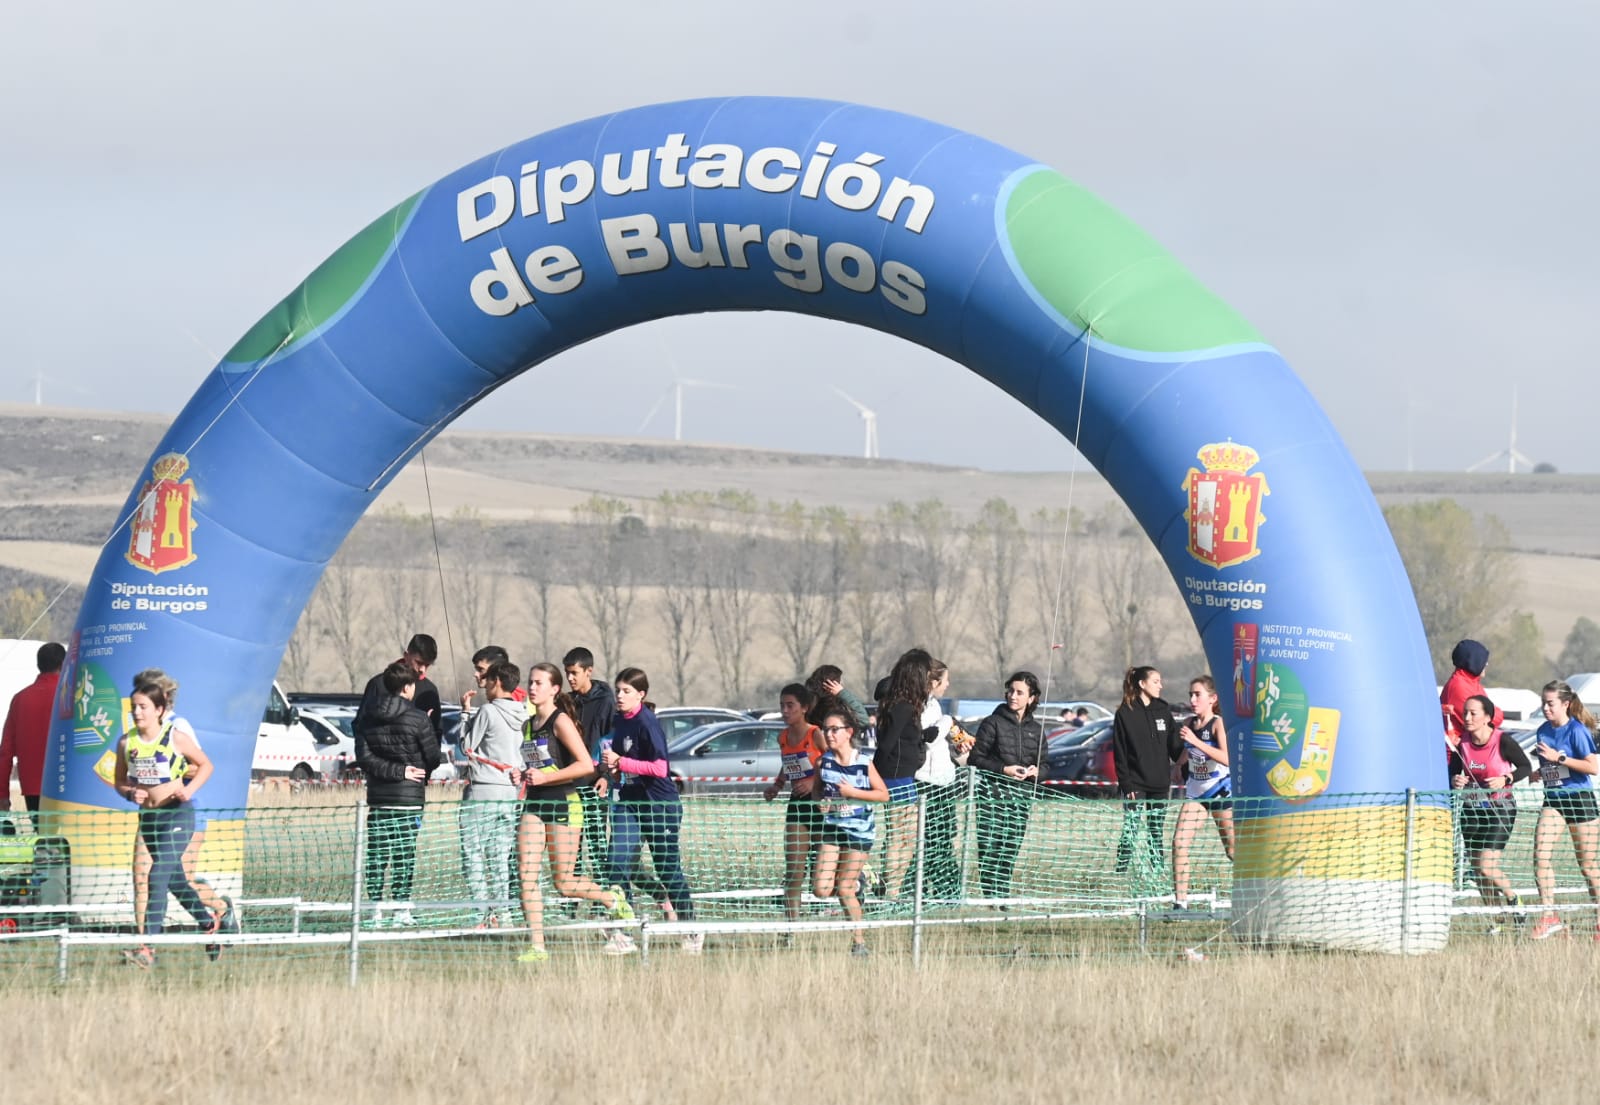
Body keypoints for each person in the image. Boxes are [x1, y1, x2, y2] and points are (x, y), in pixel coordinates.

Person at [514, 662, 632, 963]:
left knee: (563, 883)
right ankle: (537, 947)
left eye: (539, 682)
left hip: (565, 803)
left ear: (554, 689)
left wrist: (545, 778)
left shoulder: (560, 721)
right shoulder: (528, 725)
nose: (532, 687)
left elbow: (584, 765)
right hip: (535, 804)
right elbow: (540, 765)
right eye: (530, 682)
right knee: (526, 875)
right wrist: (524, 775)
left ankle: (611, 898)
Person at [114, 680, 222, 968]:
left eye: (143, 707)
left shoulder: (175, 737)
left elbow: (207, 765)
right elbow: (119, 781)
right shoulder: (126, 742)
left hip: (177, 814)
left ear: (159, 710)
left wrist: (189, 789)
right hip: (149, 818)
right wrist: (128, 792)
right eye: (134, 707)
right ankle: (208, 922)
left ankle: (147, 948)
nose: (137, 713)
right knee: (174, 879)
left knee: (157, 875)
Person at [598, 667, 700, 954]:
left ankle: (691, 929)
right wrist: (610, 771)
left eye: (626, 690)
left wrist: (623, 762)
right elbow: (622, 763)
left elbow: (660, 768)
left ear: (641, 694)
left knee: (667, 870)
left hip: (659, 805)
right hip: (629, 801)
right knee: (616, 862)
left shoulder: (647, 722)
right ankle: (623, 934)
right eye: (618, 689)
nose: (620, 695)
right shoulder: (620, 721)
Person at [356, 661, 442, 926]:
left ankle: (374, 910)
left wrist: (393, 770)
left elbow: (364, 758)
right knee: (404, 854)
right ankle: (401, 911)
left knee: (377, 854)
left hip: (379, 799)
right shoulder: (417, 718)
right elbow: (434, 757)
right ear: (407, 687)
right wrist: (405, 771)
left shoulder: (367, 717)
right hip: (409, 800)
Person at [1448, 693, 1532, 931]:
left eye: (1473, 713)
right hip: (1472, 810)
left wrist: (1506, 778)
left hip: (1499, 809)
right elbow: (1453, 775)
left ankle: (1515, 900)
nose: (1467, 717)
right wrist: (1456, 780)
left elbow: (1525, 766)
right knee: (1478, 871)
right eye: (1465, 712)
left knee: (1487, 866)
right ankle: (1498, 921)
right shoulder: (1461, 744)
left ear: (1487, 717)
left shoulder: (1502, 741)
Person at [1527, 680, 1600, 940]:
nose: (1545, 708)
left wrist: (1559, 758)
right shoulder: (1542, 731)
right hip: (1554, 801)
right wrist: (1540, 772)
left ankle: (1599, 920)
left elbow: (1592, 767)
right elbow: (1554, 767)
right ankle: (1549, 915)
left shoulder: (1577, 731)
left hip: (1579, 800)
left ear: (1565, 704)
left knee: (1588, 866)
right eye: (1543, 703)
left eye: (1550, 703)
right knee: (1540, 855)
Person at [813, 708, 889, 956]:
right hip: (833, 828)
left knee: (843, 888)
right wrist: (821, 802)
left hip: (860, 832)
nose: (829, 734)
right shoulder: (823, 762)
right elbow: (817, 792)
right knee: (821, 890)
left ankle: (859, 944)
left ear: (849, 733)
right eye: (826, 729)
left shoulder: (863, 762)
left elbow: (883, 795)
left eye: (834, 729)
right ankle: (859, 883)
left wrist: (853, 794)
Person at [457, 660, 524, 929]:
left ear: (497, 682)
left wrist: (465, 714)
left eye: (488, 679)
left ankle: (480, 914)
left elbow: (466, 746)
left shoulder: (487, 711)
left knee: (472, 851)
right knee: (500, 857)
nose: (484, 684)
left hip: (482, 789)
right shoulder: (524, 713)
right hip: (510, 791)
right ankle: (504, 914)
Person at [968, 671, 1046, 901]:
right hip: (992, 795)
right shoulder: (992, 723)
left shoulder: (1036, 730)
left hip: (1020, 798)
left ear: (1031, 698)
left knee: (1011, 847)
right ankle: (990, 896)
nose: (1013, 696)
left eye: (1020, 692)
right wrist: (1004, 769)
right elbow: (976, 758)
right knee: (991, 847)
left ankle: (1003, 894)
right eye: (1011, 691)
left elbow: (1046, 764)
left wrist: (1037, 772)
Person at [872, 648, 936, 909]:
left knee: (907, 838)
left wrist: (922, 737)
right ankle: (891, 894)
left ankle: (893, 891)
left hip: (903, 776)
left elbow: (900, 740)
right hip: (895, 778)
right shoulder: (902, 706)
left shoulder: (905, 705)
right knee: (901, 836)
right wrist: (871, 775)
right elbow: (886, 745)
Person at [1171, 676, 1236, 908]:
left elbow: (1227, 759)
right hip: (1195, 794)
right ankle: (1180, 903)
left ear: (1213, 699)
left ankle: (1255, 891)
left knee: (1232, 850)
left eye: (1198, 694)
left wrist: (1195, 742)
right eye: (1190, 694)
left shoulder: (1217, 723)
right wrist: (1179, 764)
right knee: (1179, 842)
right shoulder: (1189, 723)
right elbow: (1190, 750)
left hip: (1219, 791)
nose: (1192, 699)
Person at [763, 683, 823, 930]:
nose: (785, 711)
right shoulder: (783, 737)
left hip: (822, 803)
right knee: (794, 869)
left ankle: (854, 887)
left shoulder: (816, 734)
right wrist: (777, 786)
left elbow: (833, 762)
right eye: (782, 706)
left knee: (821, 871)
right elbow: (788, 764)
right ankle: (791, 927)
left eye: (790, 706)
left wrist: (813, 781)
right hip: (797, 805)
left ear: (804, 708)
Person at [1112, 666, 1180, 878]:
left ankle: (1158, 870)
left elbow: (1175, 748)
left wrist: (1193, 751)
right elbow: (1120, 753)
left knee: (1156, 830)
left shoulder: (1164, 711)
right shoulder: (1125, 713)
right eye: (1156, 681)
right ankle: (1121, 870)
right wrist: (1127, 785)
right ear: (1142, 684)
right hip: (1136, 783)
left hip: (1160, 782)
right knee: (1131, 828)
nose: (1161, 685)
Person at [910, 659, 969, 902]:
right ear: (933, 682)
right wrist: (949, 721)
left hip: (944, 782)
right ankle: (917, 892)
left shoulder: (934, 705)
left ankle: (948, 893)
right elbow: (929, 738)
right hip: (926, 784)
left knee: (944, 839)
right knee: (925, 842)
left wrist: (958, 752)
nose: (948, 684)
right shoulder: (919, 707)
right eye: (945, 680)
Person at [563, 646, 616, 881]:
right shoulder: (567, 701)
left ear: (589, 671)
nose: (570, 678)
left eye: (574, 672)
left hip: (595, 783)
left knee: (596, 844)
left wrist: (606, 776)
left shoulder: (606, 702)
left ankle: (602, 900)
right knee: (572, 846)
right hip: (571, 782)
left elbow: (611, 742)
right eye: (567, 673)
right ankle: (570, 903)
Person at [0, 641, 64, 824]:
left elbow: (5, 752)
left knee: (42, 840)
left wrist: (2, 794)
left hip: (32, 787)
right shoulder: (71, 697)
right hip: (66, 786)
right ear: (63, 665)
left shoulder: (20, 699)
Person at [355, 633, 442, 741]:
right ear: (406, 655)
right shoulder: (378, 684)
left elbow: (436, 733)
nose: (422, 669)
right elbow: (360, 726)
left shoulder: (430, 691)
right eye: (419, 663)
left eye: (427, 665)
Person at [1440, 639, 1502, 743]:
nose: (1486, 664)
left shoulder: (1472, 683)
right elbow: (1488, 719)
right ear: (1473, 661)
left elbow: (1491, 715)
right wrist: (1493, 713)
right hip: (1456, 753)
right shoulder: (1459, 687)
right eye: (1482, 661)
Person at [805, 664, 870, 731]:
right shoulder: (839, 707)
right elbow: (863, 720)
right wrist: (842, 693)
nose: (842, 685)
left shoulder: (808, 706)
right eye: (840, 682)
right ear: (833, 685)